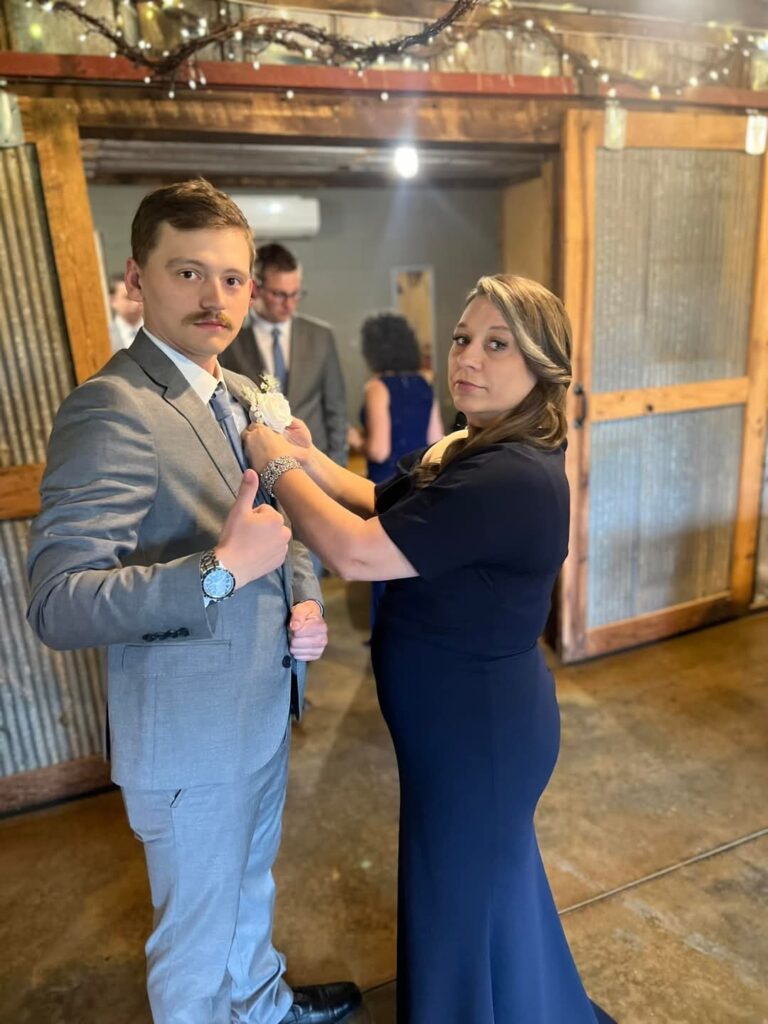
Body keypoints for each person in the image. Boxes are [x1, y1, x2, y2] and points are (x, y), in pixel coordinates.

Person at [26, 179, 361, 1024]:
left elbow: (274, 524)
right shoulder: (112, 408)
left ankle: (262, 1005)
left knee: (250, 888)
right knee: (195, 943)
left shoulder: (242, 394)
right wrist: (216, 572)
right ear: (136, 278)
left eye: (233, 278)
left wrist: (305, 603)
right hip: (187, 740)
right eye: (189, 273)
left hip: (261, 710)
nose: (216, 298)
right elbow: (59, 602)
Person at [243, 274, 617, 1024]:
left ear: (542, 366)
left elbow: (356, 551)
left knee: (462, 902)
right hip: (458, 726)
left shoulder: (510, 475)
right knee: (483, 892)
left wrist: (272, 465)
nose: (467, 358)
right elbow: (382, 502)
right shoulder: (480, 442)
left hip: (480, 732)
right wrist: (308, 460)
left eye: (497, 345)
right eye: (462, 338)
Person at [349, 312, 442, 626]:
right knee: (410, 561)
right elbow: (436, 440)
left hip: (387, 484)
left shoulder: (377, 387)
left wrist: (355, 439)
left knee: (381, 565)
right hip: (419, 483)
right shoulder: (424, 383)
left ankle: (383, 630)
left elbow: (379, 449)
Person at [221, 242, 347, 467]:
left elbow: (336, 409)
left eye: (295, 294)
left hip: (316, 464)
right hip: (257, 464)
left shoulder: (320, 336)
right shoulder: (231, 338)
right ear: (255, 289)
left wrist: (338, 466)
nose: (289, 304)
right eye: (279, 294)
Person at [108, 271, 143, 351]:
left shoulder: (160, 332)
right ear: (112, 301)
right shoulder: (104, 337)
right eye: (128, 298)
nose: (135, 303)